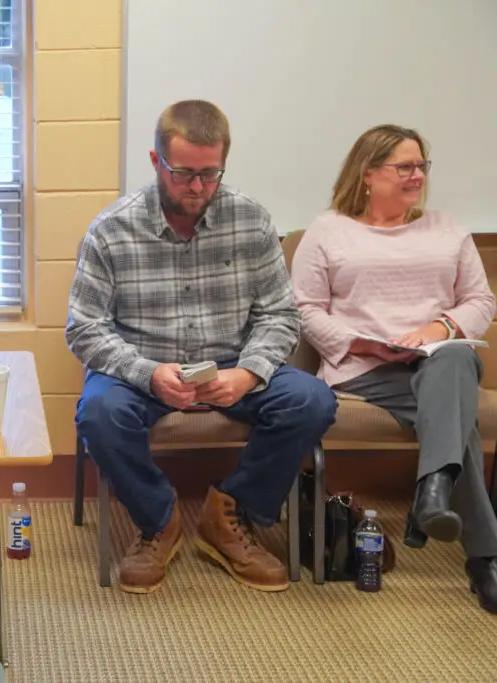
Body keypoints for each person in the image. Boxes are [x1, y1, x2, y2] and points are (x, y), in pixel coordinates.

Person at [67, 100, 337, 595]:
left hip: (231, 366)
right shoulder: (111, 230)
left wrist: (249, 374)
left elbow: (279, 315)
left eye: (210, 175)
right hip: (141, 369)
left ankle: (230, 512)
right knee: (98, 414)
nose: (196, 188)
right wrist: (148, 373)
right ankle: (158, 521)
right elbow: (84, 329)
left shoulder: (251, 220)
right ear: (155, 162)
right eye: (183, 173)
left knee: (312, 400)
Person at [291, 124, 497, 613]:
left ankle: (438, 498)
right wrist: (361, 341)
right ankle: (477, 548)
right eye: (404, 166)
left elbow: (480, 299)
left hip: (443, 358)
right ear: (367, 174)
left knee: (450, 361)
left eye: (422, 165)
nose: (417, 176)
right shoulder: (328, 231)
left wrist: (439, 328)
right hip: (365, 368)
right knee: (456, 420)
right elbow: (303, 309)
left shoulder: (447, 228)